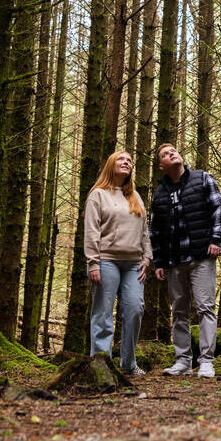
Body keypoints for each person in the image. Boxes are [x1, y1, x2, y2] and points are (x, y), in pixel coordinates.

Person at [149, 143, 221, 378]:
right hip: (173, 261)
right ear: (162, 166)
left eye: (173, 150)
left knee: (205, 307)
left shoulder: (203, 179)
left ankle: (206, 361)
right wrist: (159, 261)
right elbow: (156, 231)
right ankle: (183, 361)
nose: (171, 153)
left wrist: (217, 239)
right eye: (165, 154)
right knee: (179, 311)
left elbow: (218, 210)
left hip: (201, 256)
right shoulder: (160, 194)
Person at [84, 150, 152, 377]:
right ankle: (102, 365)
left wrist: (147, 258)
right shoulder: (98, 194)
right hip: (106, 260)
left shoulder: (135, 196)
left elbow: (144, 232)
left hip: (133, 263)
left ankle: (128, 364)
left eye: (130, 160)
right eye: (122, 159)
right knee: (103, 313)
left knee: (135, 309)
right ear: (111, 164)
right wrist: (93, 262)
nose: (127, 162)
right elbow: (92, 231)